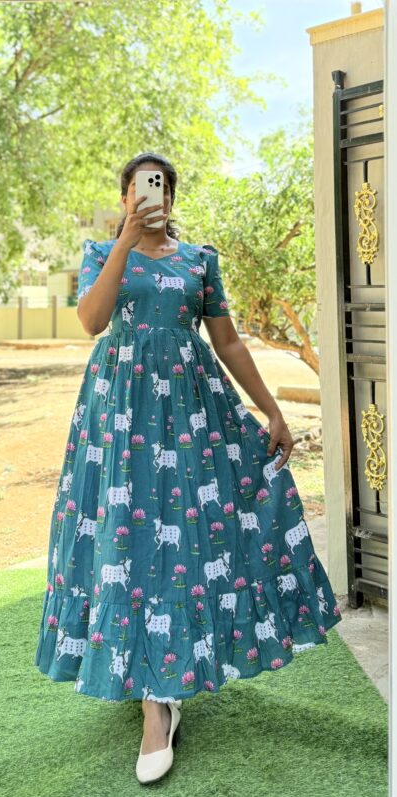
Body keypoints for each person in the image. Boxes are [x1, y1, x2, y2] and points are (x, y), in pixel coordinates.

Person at [34, 151, 342, 785]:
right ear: (124, 198)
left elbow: (227, 341)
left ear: (171, 197)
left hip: (192, 419)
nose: (153, 196)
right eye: (141, 188)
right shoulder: (100, 253)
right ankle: (153, 693)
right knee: (127, 539)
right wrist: (124, 241)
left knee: (186, 541)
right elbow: (92, 320)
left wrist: (272, 410)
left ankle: (165, 689)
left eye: (162, 187)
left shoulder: (199, 260)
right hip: (119, 421)